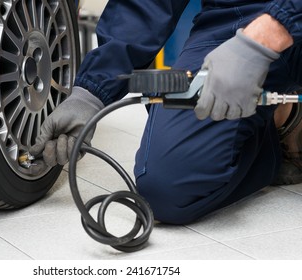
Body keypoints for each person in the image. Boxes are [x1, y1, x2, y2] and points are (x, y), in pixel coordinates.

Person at [31, 0, 302, 224]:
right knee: (167, 186)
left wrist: (273, 30)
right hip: (238, 18)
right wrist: (91, 92)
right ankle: (281, 117)